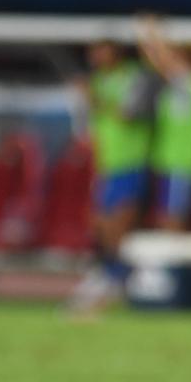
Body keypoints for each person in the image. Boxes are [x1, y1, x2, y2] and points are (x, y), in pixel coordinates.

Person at [72, 38, 154, 309]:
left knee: (119, 223)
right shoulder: (97, 81)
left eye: (100, 50)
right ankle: (111, 272)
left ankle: (121, 277)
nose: (95, 56)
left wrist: (96, 100)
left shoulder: (134, 76)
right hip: (106, 164)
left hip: (131, 161)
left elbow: (131, 113)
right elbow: (89, 126)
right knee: (99, 222)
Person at [137, 15, 191, 230]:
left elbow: (163, 61)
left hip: (182, 162)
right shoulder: (175, 84)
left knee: (174, 215)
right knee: (164, 213)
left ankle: (174, 260)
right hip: (166, 161)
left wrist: (151, 31)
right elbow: (157, 59)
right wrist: (149, 36)